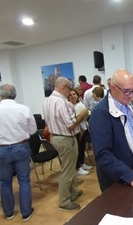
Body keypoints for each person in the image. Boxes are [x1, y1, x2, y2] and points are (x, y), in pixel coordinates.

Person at [89, 69, 133, 192]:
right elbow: (102, 155)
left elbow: (132, 133)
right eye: (127, 91)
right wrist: (131, 176)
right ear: (112, 87)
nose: (131, 95)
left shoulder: (125, 104)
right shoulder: (100, 113)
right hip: (118, 180)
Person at [0, 84, 37, 222]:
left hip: (0, 149)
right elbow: (33, 130)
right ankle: (26, 213)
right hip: (21, 147)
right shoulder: (24, 109)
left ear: (0, 95)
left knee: (4, 182)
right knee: (24, 181)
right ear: (15, 95)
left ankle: (9, 213)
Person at [43, 77, 89, 211]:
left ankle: (73, 192)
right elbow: (70, 125)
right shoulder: (62, 103)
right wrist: (82, 115)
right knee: (67, 171)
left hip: (56, 137)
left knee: (70, 167)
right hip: (65, 138)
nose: (70, 92)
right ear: (63, 87)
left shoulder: (47, 101)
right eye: (70, 89)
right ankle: (64, 200)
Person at [67, 89, 92, 176]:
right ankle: (77, 168)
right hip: (76, 131)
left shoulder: (80, 104)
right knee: (76, 149)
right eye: (70, 95)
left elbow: (86, 113)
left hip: (83, 128)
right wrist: (82, 115)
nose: (73, 96)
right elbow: (73, 120)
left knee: (82, 148)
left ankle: (82, 163)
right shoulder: (68, 106)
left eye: (74, 94)